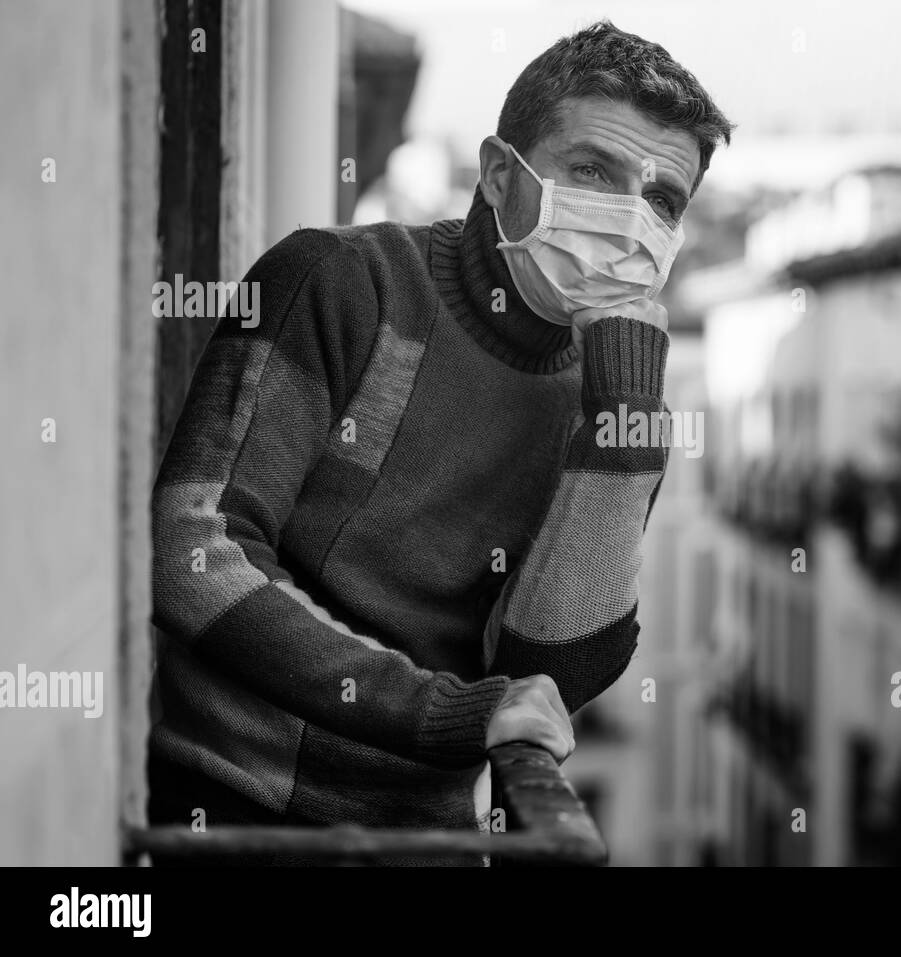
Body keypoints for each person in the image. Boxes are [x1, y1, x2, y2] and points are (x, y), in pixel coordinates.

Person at [146, 19, 734, 865]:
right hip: (235, 812)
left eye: (663, 200)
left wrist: (622, 416)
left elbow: (549, 673)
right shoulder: (342, 281)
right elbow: (191, 547)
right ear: (501, 174)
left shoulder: (617, 398)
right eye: (595, 171)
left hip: (434, 842)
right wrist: (436, 711)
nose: (629, 219)